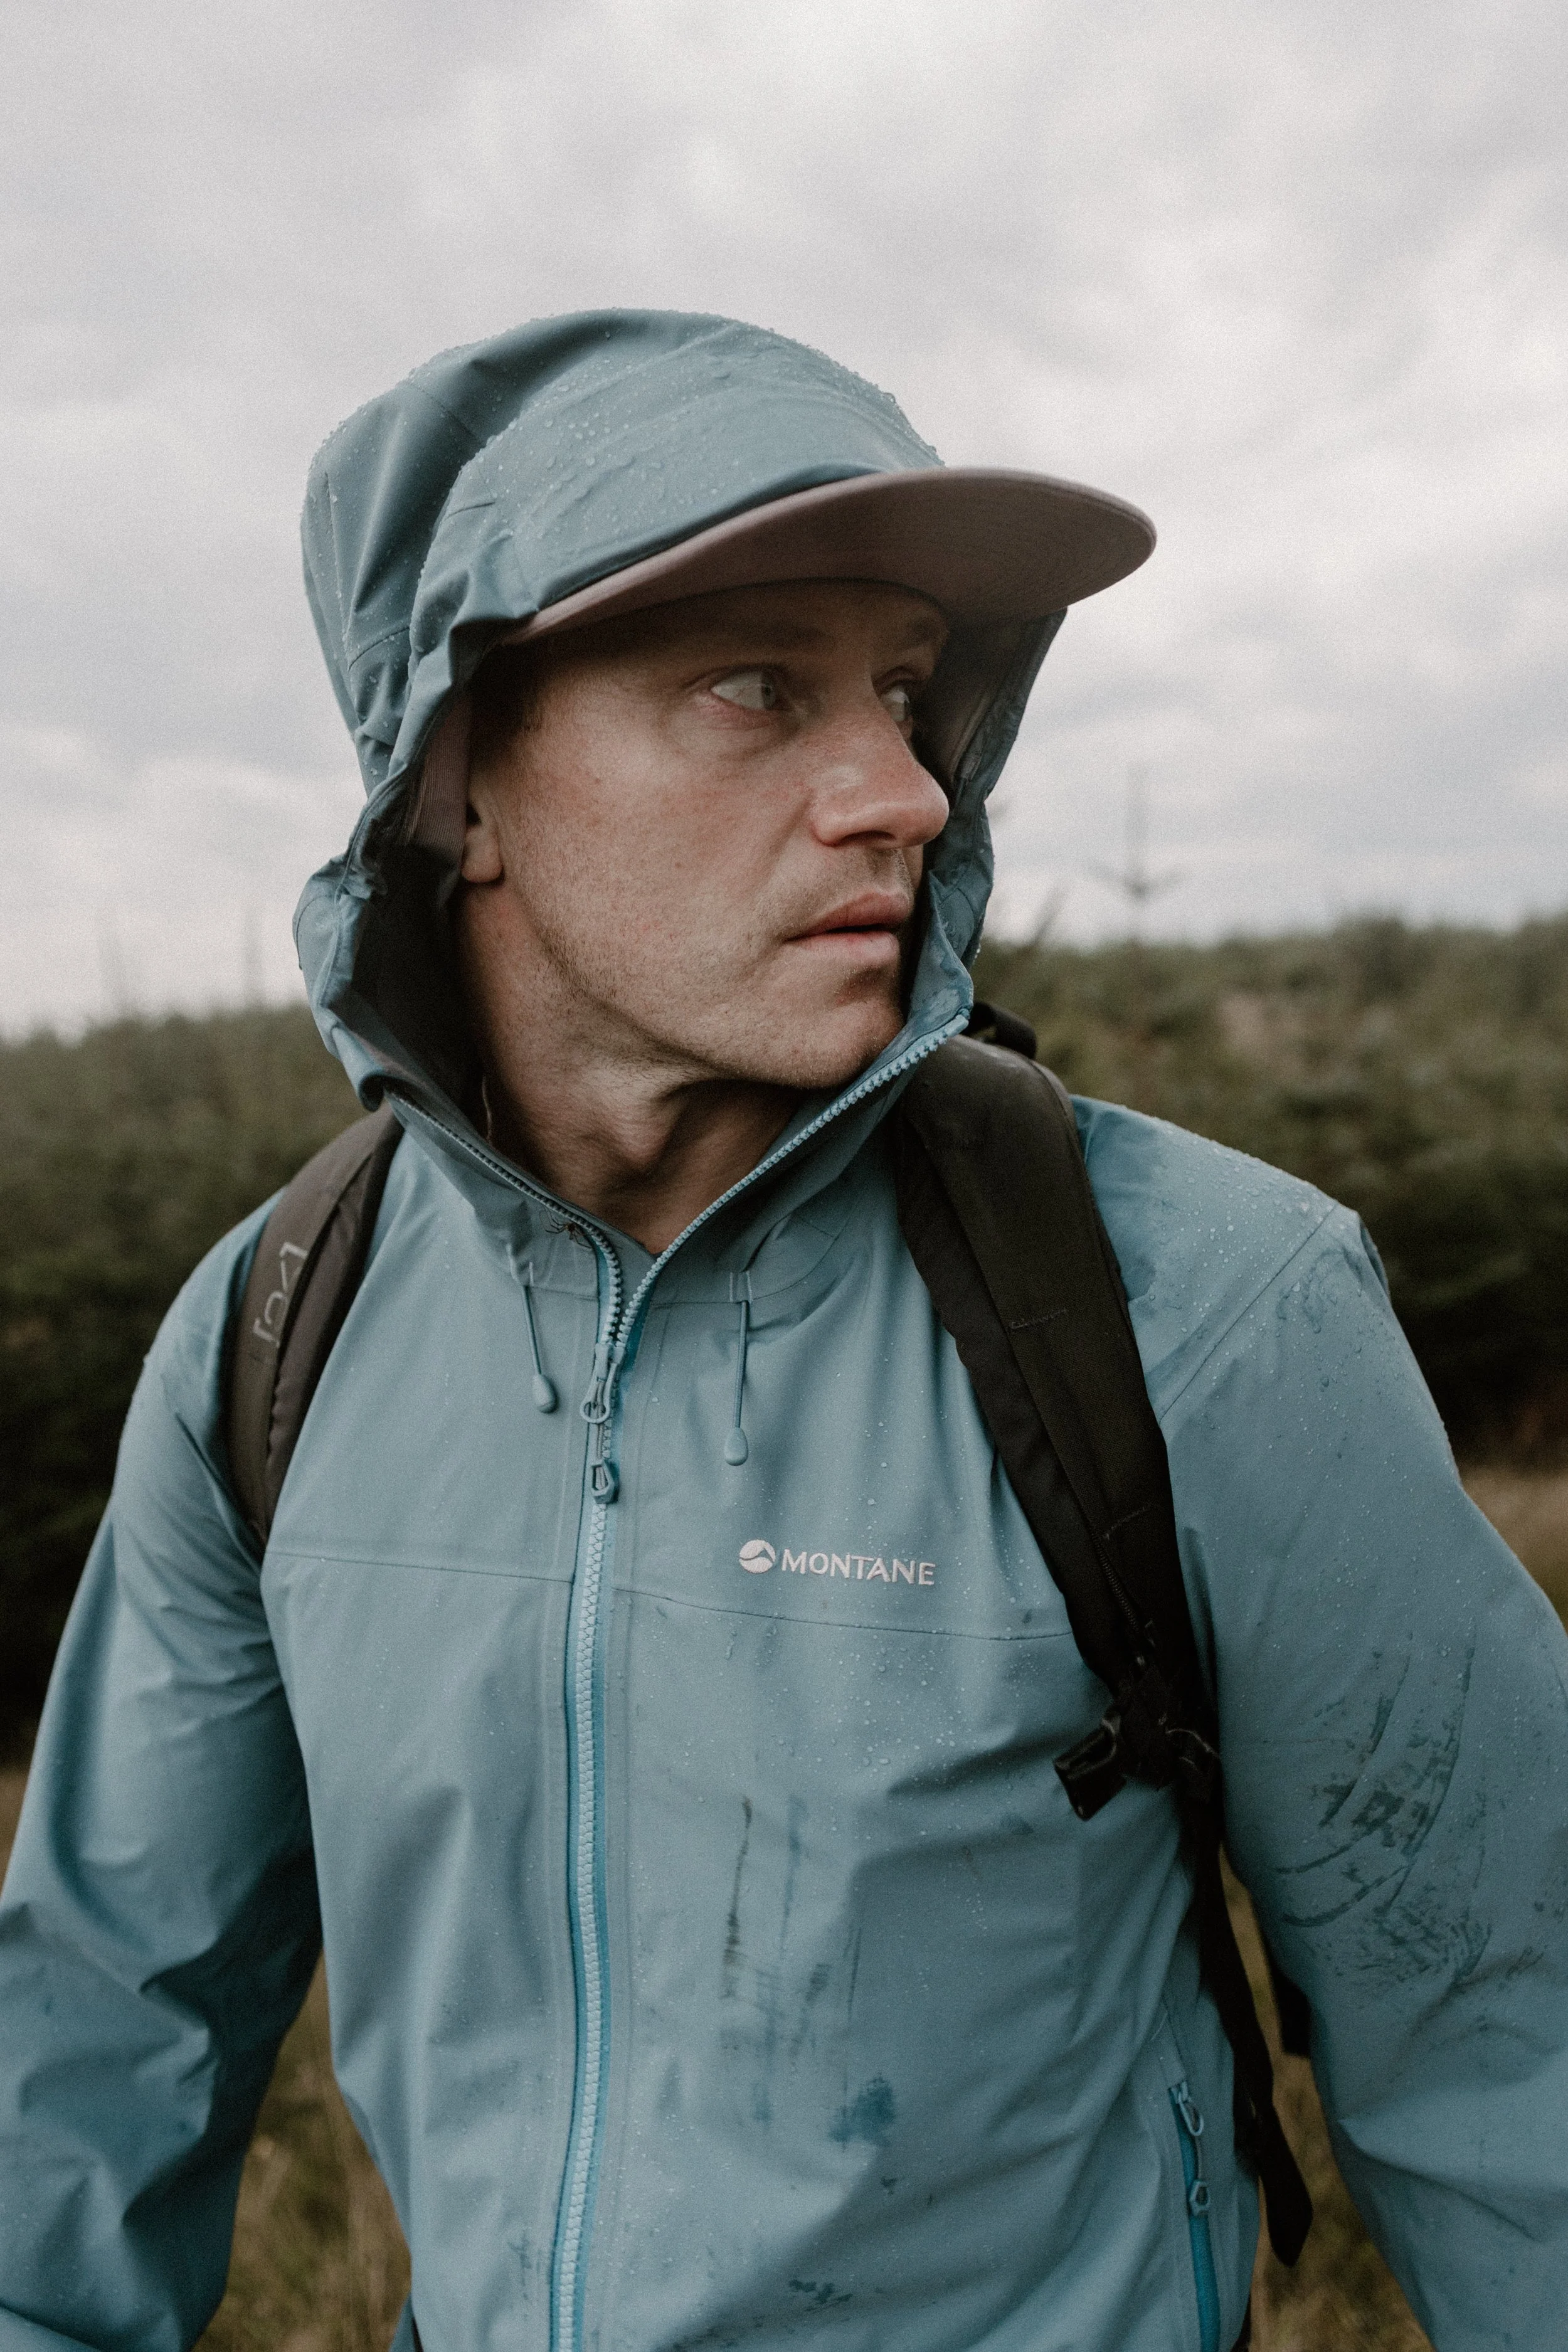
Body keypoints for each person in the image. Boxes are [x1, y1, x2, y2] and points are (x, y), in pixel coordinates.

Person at [1, 311, 1564, 2352]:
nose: (902, 791)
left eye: (908, 691)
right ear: (459, 777)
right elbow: (102, 2046)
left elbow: (1509, 2046)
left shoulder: (1200, 1307)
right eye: (756, 687)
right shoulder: (275, 1333)